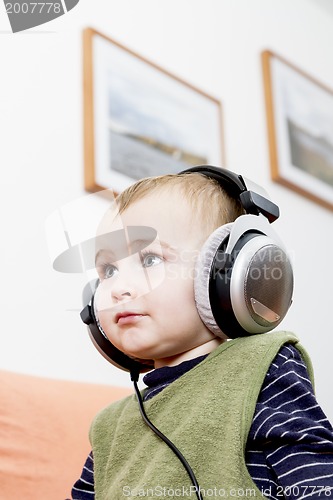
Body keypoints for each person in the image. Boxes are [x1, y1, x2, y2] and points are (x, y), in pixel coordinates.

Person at [71, 167, 333, 500]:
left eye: (150, 259)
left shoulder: (260, 367)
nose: (118, 288)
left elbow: (315, 482)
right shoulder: (110, 427)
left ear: (226, 274)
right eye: (108, 270)